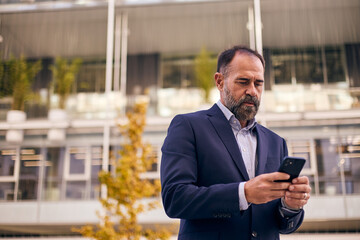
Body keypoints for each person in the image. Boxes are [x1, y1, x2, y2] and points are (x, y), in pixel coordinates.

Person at [160, 45, 311, 240]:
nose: (252, 91)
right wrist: (243, 193)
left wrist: (290, 206)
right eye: (243, 81)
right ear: (220, 81)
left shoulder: (276, 142)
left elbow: (282, 225)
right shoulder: (188, 126)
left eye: (258, 83)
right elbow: (175, 198)